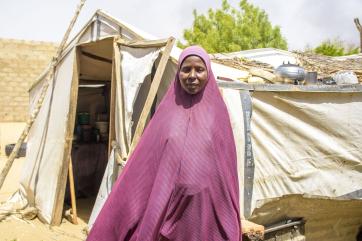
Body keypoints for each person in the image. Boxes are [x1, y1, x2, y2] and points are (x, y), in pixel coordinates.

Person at [87, 46, 244, 241]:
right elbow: (141, 170)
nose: (192, 75)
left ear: (208, 73)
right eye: (186, 69)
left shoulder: (218, 116)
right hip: (163, 211)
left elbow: (226, 174)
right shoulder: (166, 115)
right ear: (178, 73)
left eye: (199, 69)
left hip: (204, 216)